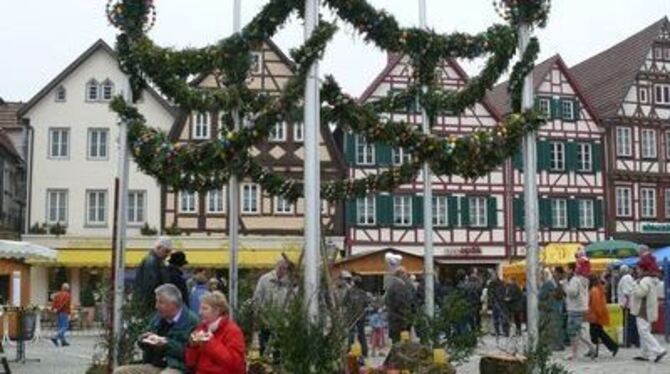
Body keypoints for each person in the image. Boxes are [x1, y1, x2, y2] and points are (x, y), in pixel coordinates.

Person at [115, 284, 199, 374]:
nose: (156, 306)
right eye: (157, 302)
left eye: (160, 302)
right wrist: (144, 339)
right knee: (120, 371)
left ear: (173, 304)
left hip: (177, 367)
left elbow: (189, 353)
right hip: (154, 364)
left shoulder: (191, 321)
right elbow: (145, 336)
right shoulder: (158, 317)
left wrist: (166, 344)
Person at [185, 291, 245, 373]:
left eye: (205, 308)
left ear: (217, 311)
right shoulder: (201, 328)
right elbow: (190, 363)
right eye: (200, 308)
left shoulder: (232, 331)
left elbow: (235, 365)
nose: (199, 312)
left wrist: (211, 343)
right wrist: (192, 346)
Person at [252, 258, 291, 356]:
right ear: (276, 267)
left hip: (281, 320)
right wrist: (258, 314)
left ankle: (276, 367)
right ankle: (263, 365)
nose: (282, 271)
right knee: (264, 344)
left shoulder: (288, 282)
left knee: (278, 347)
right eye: (281, 268)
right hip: (265, 318)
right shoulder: (265, 279)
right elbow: (257, 298)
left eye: (285, 268)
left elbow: (290, 301)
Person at [630, 259, 667, 363]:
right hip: (647, 309)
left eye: (637, 268)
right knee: (644, 331)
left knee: (644, 332)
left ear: (642, 269)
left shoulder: (644, 280)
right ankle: (645, 353)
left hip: (643, 309)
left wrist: (635, 284)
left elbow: (640, 293)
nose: (636, 270)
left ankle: (658, 350)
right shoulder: (651, 279)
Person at [561, 262, 596, 360]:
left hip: (574, 309)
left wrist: (565, 286)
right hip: (581, 308)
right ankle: (588, 348)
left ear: (572, 270)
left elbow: (573, 293)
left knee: (573, 332)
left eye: (567, 268)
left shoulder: (574, 280)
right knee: (578, 332)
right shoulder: (583, 280)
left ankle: (576, 353)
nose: (565, 271)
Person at [135, 237, 173, 311]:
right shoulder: (152, 262)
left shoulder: (155, 261)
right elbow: (150, 286)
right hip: (152, 306)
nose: (167, 254)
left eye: (169, 252)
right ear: (158, 248)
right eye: (166, 251)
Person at [586, 275, 618, 358]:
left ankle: (596, 351)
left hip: (595, 315)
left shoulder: (594, 290)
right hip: (598, 315)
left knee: (595, 334)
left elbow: (595, 305)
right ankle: (612, 347)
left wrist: (594, 314)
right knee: (599, 333)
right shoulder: (598, 289)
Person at [384, 267, 416, 343]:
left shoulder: (393, 285)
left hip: (397, 317)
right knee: (403, 340)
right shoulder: (401, 285)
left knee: (398, 341)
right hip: (401, 317)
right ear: (401, 274)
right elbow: (411, 301)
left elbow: (387, 301)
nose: (406, 276)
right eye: (405, 274)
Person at [343, 275, 371, 357]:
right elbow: (367, 304)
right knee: (361, 334)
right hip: (361, 316)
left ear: (353, 283)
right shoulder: (363, 293)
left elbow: (344, 303)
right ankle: (364, 352)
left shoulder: (349, 292)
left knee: (351, 334)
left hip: (351, 316)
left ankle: (349, 351)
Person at [539, 268, 563, 351]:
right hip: (552, 307)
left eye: (541, 275)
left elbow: (541, 296)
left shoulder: (547, 284)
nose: (540, 276)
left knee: (550, 327)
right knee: (553, 327)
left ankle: (554, 344)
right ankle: (557, 344)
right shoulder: (552, 283)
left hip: (548, 308)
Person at [617, 264, 639, 348]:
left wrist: (625, 305)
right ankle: (635, 342)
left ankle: (628, 342)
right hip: (631, 305)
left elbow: (626, 293)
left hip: (627, 305)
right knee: (632, 323)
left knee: (628, 324)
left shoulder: (625, 278)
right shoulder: (629, 278)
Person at [488, 272, 509, 338]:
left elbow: (503, 292)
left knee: (503, 317)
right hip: (495, 303)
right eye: (491, 276)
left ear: (496, 276)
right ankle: (497, 332)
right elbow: (490, 293)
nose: (492, 278)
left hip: (501, 303)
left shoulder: (501, 283)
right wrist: (492, 301)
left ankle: (506, 331)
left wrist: (500, 297)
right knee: (496, 318)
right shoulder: (491, 284)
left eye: (493, 276)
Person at [51, 283, 71, 347]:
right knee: (65, 327)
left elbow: (54, 302)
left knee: (60, 327)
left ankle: (63, 341)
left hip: (58, 313)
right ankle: (55, 337)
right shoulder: (67, 295)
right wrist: (59, 309)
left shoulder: (57, 294)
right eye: (68, 287)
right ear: (67, 288)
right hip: (64, 312)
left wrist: (53, 309)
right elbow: (64, 304)